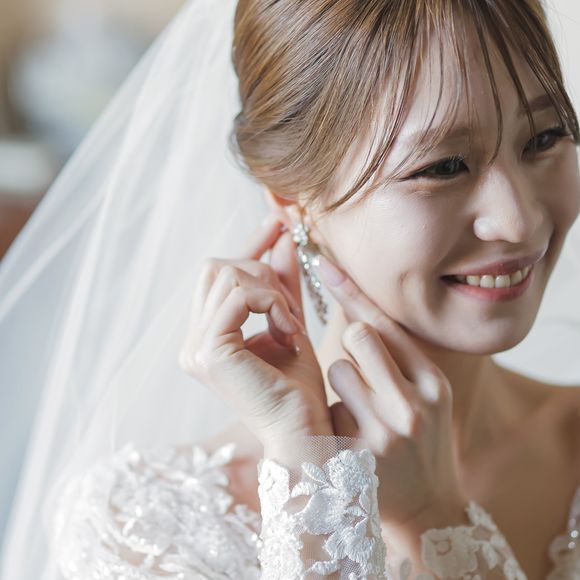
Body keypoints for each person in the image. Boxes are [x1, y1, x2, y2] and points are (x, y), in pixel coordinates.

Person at [1, 0, 580, 578]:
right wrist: (314, 477)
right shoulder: (144, 530)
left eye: (545, 137)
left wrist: (433, 518)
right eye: (444, 166)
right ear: (291, 200)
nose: (518, 221)